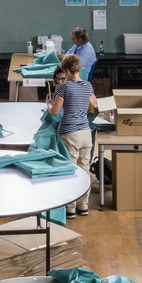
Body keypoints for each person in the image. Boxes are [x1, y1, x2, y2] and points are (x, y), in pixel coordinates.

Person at [48, 52, 98, 218]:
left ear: (67, 71)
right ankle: (83, 206)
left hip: (70, 132)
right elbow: (95, 103)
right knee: (84, 170)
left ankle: (70, 208)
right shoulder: (87, 85)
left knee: (71, 170)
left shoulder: (64, 87)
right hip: (86, 133)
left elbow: (55, 112)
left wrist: (49, 105)